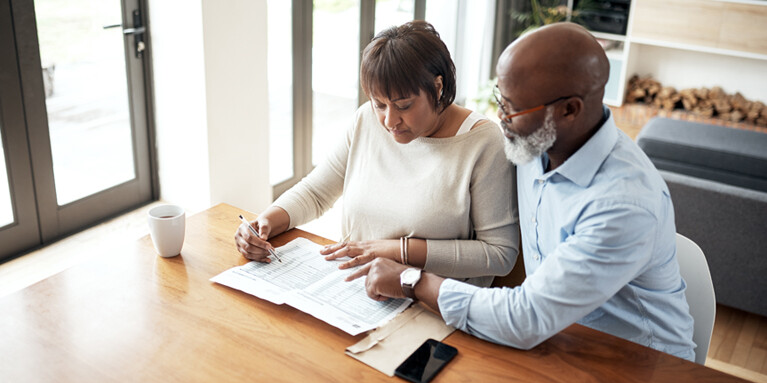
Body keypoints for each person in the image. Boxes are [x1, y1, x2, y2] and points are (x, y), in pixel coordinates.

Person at [349, 22, 696, 362]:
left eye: (513, 108)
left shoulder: (623, 204)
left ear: (569, 110)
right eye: (501, 100)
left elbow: (525, 317)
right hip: (554, 345)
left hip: (640, 364)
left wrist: (412, 279)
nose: (501, 117)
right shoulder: (535, 144)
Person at [235, 21, 519, 287]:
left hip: (433, 305)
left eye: (404, 105)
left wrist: (398, 250)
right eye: (379, 104)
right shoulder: (365, 121)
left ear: (438, 86)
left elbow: (499, 254)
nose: (389, 121)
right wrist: (266, 222)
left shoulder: (483, 143)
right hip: (357, 289)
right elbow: (316, 192)